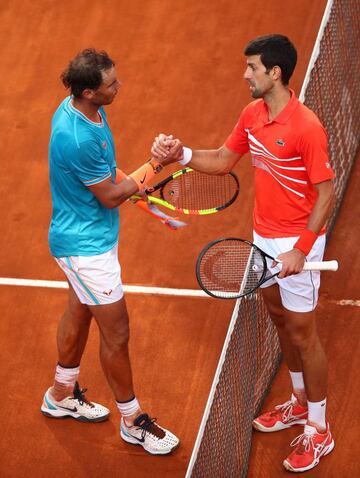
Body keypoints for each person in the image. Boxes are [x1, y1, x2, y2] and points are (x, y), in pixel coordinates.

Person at [151, 34, 335, 472]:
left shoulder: (306, 127)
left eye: (252, 67)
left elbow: (325, 194)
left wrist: (301, 251)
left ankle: (319, 429)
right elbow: (220, 159)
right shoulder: (252, 114)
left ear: (274, 72)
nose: (245, 73)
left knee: (303, 333)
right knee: (277, 318)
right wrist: (183, 155)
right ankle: (297, 400)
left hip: (297, 243)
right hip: (262, 237)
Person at [41, 48, 179, 456]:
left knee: (80, 311)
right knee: (117, 334)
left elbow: (109, 174)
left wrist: (143, 194)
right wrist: (156, 165)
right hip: (85, 250)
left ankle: (61, 393)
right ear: (89, 91)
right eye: (111, 85)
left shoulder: (82, 109)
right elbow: (110, 196)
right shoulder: (77, 135)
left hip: (89, 237)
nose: (119, 88)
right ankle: (133, 421)